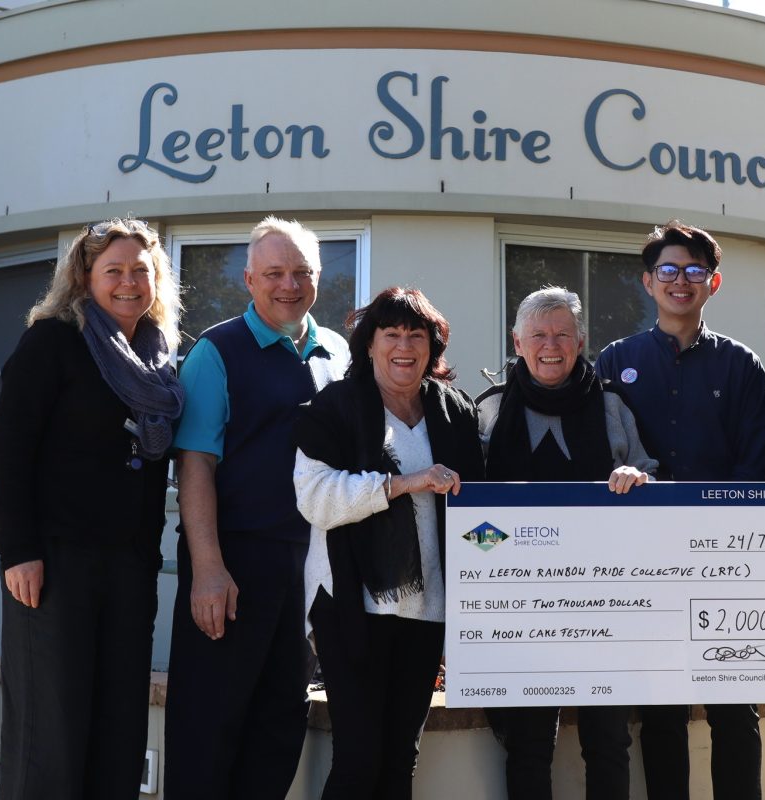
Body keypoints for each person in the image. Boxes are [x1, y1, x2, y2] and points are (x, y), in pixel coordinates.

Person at [0, 218, 184, 799]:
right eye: (113, 271)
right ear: (84, 277)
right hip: (53, 564)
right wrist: (19, 550)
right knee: (51, 730)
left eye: (140, 271)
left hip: (128, 566)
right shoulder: (53, 341)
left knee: (118, 725)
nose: (128, 282)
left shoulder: (161, 359)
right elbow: (8, 448)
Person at [163, 217, 349, 799]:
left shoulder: (337, 352)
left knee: (279, 725)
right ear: (249, 278)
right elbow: (195, 466)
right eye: (274, 273)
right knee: (209, 727)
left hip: (310, 566)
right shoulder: (216, 352)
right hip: (233, 564)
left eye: (302, 272)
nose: (289, 285)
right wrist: (209, 570)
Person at [597, 220, 765, 799]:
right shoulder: (613, 361)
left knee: (733, 711)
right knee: (662, 713)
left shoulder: (742, 366)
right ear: (648, 282)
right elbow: (603, 456)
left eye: (694, 271)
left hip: (724, 562)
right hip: (642, 564)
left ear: (712, 283)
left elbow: (755, 467)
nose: (680, 281)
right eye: (668, 270)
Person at [292, 287, 485, 799]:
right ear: (370, 345)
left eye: (416, 335)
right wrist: (402, 483)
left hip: (429, 611)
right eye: (391, 334)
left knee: (401, 758)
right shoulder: (335, 406)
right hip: (350, 606)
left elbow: (482, 506)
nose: (404, 346)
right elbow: (315, 499)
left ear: (432, 347)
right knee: (359, 758)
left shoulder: (457, 412)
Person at [479, 286, 658, 800]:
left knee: (608, 741)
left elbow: (651, 485)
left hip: (606, 604)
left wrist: (636, 480)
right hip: (518, 607)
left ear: (581, 342)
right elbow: (468, 511)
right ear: (517, 341)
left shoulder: (612, 408)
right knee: (529, 745)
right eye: (538, 334)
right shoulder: (487, 411)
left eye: (562, 334)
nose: (550, 344)